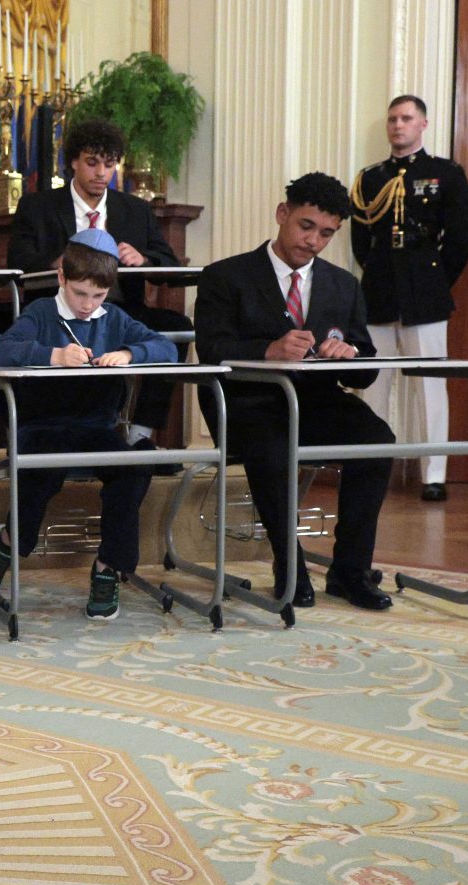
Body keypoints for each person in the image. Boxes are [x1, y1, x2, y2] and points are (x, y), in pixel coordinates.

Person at [194, 172, 394, 611]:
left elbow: (365, 371)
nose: (314, 241)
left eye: (327, 233)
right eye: (306, 226)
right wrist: (268, 350)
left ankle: (350, 571)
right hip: (247, 401)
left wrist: (350, 354)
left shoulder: (344, 284)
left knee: (378, 442)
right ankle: (291, 567)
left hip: (316, 400)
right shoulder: (225, 276)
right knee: (271, 448)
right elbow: (211, 349)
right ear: (283, 215)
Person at [0, 229, 176, 621]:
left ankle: (108, 568)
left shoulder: (113, 318)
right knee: (43, 470)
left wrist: (129, 353)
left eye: (97, 296)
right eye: (80, 294)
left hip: (94, 428)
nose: (87, 305)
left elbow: (166, 347)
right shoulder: (41, 313)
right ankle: (10, 543)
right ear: (62, 277)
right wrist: (52, 356)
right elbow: (2, 350)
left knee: (133, 467)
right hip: (40, 426)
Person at [7, 119, 190, 455]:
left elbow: (171, 268)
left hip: (121, 311)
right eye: (92, 163)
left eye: (109, 164)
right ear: (73, 161)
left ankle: (141, 432)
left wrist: (144, 259)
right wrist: (60, 262)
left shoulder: (134, 209)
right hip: (59, 311)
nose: (101, 173)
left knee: (178, 328)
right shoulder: (39, 206)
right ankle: (51, 435)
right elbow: (17, 264)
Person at [350, 94, 468, 502]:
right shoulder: (369, 178)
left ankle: (432, 474)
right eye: (392, 119)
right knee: (373, 385)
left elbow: (460, 241)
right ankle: (372, 466)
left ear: (423, 124)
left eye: (406, 118)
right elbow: (361, 242)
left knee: (430, 387)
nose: (397, 126)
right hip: (380, 292)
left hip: (425, 294)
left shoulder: (446, 174)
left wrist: (435, 283)